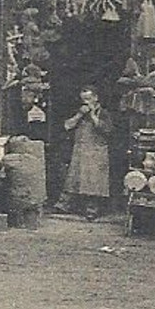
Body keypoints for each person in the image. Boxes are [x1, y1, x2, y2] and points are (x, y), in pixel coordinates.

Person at [62, 86, 111, 218]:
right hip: (81, 149)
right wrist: (79, 115)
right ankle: (66, 204)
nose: (86, 102)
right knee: (74, 178)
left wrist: (93, 116)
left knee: (94, 181)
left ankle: (92, 208)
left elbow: (106, 130)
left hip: (97, 151)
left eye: (88, 99)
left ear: (96, 98)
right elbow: (67, 126)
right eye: (83, 100)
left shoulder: (104, 113)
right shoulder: (79, 112)